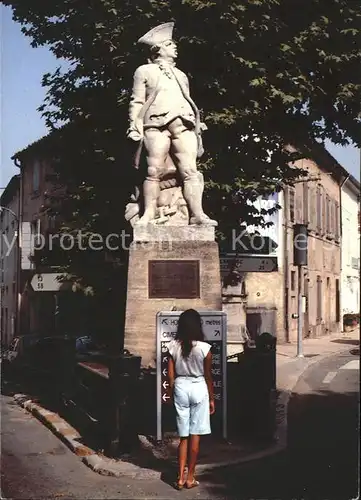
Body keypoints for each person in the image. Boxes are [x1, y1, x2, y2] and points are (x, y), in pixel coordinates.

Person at [127, 22, 217, 227]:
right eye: (170, 44)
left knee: (191, 171)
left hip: (183, 124)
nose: (175, 47)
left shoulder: (181, 75)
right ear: (158, 49)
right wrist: (134, 125)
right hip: (156, 124)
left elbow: (187, 100)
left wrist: (197, 124)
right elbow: (137, 100)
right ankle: (149, 213)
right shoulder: (144, 71)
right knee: (153, 171)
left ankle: (197, 214)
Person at [167, 309, 215, 490]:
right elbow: (208, 376)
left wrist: (173, 394)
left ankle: (179, 477)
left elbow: (170, 377)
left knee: (183, 436)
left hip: (181, 386)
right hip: (198, 387)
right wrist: (211, 398)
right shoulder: (204, 349)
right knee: (196, 435)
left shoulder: (173, 347)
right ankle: (191, 477)